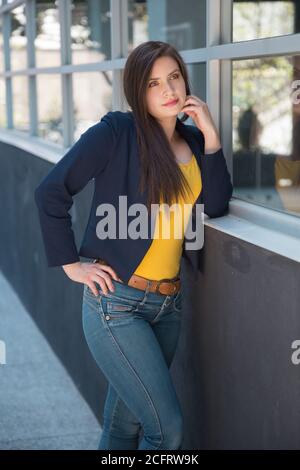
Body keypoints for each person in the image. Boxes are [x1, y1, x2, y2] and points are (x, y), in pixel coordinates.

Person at [34, 40, 233, 450]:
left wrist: (211, 136)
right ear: (137, 92)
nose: (168, 89)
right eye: (154, 83)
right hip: (116, 304)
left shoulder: (194, 143)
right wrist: (73, 265)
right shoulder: (116, 133)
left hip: (167, 306)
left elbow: (215, 203)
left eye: (174, 76)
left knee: (124, 428)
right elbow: (51, 191)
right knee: (168, 430)